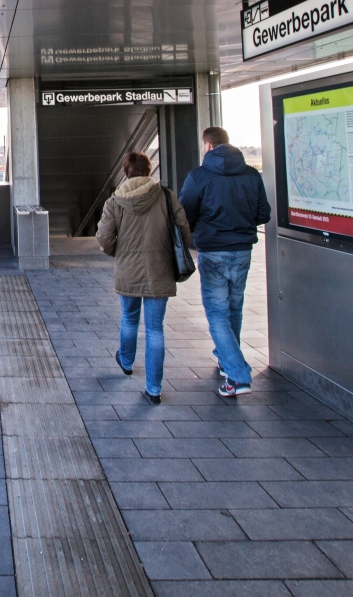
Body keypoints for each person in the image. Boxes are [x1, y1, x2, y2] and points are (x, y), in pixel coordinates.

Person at [95, 151, 195, 404]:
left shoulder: (114, 201)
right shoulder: (166, 197)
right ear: (149, 170)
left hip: (128, 271)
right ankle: (154, 389)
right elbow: (184, 231)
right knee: (155, 330)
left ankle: (127, 362)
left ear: (126, 172)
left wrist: (118, 252)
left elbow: (104, 240)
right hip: (160, 271)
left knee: (129, 319)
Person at [178, 127, 271, 398]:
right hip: (242, 251)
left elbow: (185, 213)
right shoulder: (252, 175)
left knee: (217, 312)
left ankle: (238, 374)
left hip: (213, 250)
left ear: (208, 145)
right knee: (234, 307)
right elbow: (263, 213)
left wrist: (201, 229)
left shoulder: (199, 176)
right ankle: (226, 359)